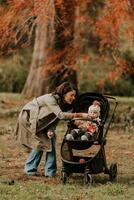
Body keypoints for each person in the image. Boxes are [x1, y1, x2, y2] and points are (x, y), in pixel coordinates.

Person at [15, 82, 88, 177]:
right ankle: (31, 169)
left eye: (74, 95)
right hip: (29, 119)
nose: (73, 98)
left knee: (51, 139)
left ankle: (49, 172)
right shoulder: (50, 98)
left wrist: (51, 129)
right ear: (64, 93)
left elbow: (54, 119)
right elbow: (60, 115)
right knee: (41, 143)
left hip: (42, 122)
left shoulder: (62, 103)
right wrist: (81, 115)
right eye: (71, 95)